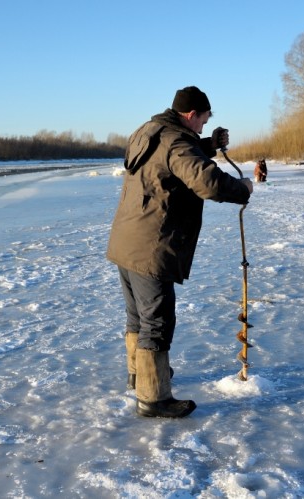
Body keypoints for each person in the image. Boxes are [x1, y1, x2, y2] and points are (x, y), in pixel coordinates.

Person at [107, 86, 253, 418]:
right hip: (151, 245)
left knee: (138, 317)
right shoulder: (177, 140)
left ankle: (139, 374)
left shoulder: (149, 130)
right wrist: (242, 189)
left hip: (126, 241)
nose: (204, 125)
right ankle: (153, 396)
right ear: (191, 115)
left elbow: (171, 158)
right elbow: (208, 183)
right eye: (204, 119)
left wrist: (207, 146)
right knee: (157, 321)